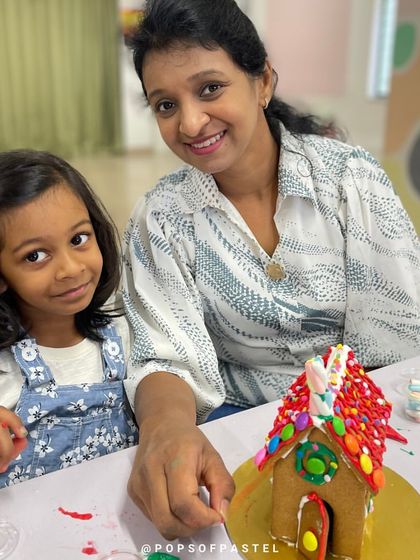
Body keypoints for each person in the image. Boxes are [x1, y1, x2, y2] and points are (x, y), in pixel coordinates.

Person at [122, 0, 420, 539]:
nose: (190, 122)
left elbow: (392, 342)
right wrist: (166, 429)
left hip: (358, 425)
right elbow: (167, 355)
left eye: (210, 88)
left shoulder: (352, 182)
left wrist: (333, 441)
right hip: (232, 430)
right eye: (166, 104)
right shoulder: (160, 218)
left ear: (262, 81)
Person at [0, 150, 139, 487]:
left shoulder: (125, 335)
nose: (71, 268)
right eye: (35, 256)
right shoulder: (6, 372)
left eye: (79, 239)